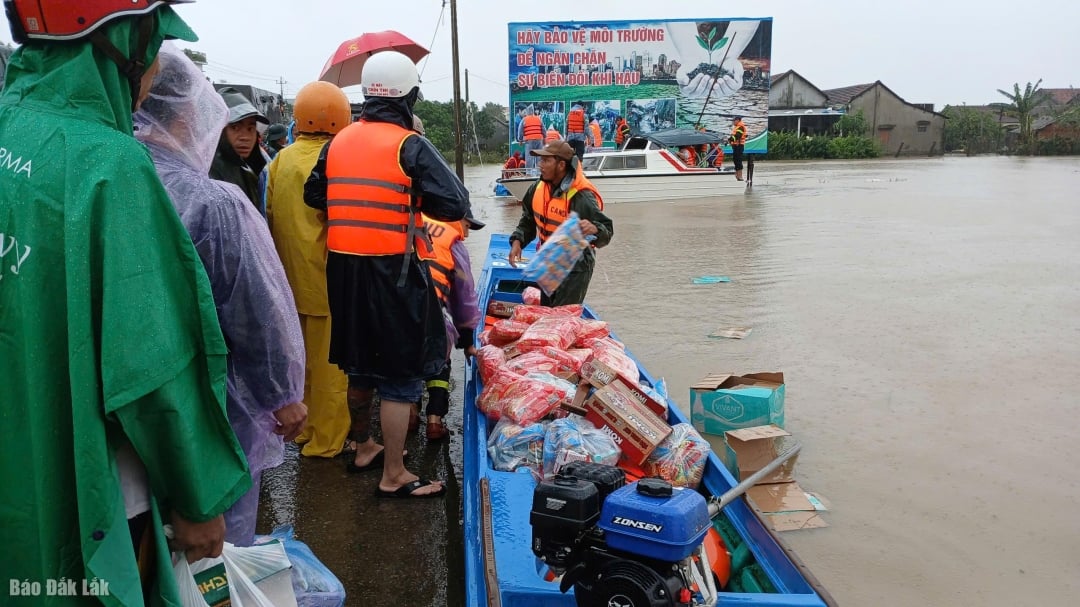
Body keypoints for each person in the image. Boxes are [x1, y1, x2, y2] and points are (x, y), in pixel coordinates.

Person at [0, 1, 252, 602]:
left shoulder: (10, 132)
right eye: (154, 44)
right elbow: (152, 367)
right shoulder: (109, 166)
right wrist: (197, 496)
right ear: (117, 37)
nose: (153, 76)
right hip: (94, 488)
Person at [134, 45, 308, 546]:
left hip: (135, 404)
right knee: (218, 542)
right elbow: (253, 310)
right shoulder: (212, 203)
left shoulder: (112, 181)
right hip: (214, 400)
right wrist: (281, 393)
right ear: (192, 114)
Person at [304, 51, 469, 498]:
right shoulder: (408, 144)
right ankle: (393, 473)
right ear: (409, 96)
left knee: (358, 368)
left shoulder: (337, 143)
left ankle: (363, 446)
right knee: (399, 375)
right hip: (392, 271)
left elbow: (314, 193)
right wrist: (409, 197)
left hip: (343, 271)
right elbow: (456, 204)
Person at [267, 81, 355, 459]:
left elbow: (269, 215)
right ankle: (328, 440)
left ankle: (304, 433)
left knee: (301, 365)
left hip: (289, 281)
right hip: (328, 280)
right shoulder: (339, 157)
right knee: (332, 368)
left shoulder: (280, 160)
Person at [508, 141, 613, 306]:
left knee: (561, 317)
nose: (540, 165)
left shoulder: (581, 196)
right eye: (540, 160)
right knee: (546, 310)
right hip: (548, 260)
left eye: (546, 161)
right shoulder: (536, 188)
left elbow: (607, 230)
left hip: (575, 266)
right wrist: (517, 241)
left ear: (561, 165)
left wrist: (594, 229)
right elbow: (527, 220)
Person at [421, 210, 483, 440]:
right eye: (467, 226)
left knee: (403, 376)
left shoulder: (413, 219)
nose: (466, 234)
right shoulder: (453, 243)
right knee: (440, 360)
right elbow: (465, 301)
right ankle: (434, 421)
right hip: (428, 315)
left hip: (392, 310)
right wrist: (466, 341)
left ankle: (407, 417)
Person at [211, 87, 269, 212]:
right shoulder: (208, 176)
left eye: (250, 129)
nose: (245, 137)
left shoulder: (248, 170)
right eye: (235, 127)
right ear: (219, 128)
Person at [730, 116, 747, 180]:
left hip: (739, 146)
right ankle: (737, 175)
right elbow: (734, 136)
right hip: (735, 146)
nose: (733, 122)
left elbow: (737, 136)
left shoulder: (741, 127)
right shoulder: (736, 127)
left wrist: (730, 139)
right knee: (735, 160)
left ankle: (740, 176)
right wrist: (730, 140)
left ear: (738, 120)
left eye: (734, 120)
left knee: (738, 160)